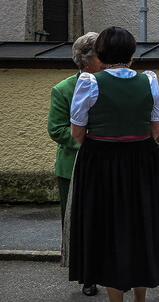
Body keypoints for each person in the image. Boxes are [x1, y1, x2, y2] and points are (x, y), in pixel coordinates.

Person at [67, 27, 159, 302]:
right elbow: (156, 130)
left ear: (101, 53)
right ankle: (140, 298)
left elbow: (77, 133)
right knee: (142, 226)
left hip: (101, 163)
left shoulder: (89, 82)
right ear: (131, 53)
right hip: (142, 162)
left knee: (107, 229)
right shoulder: (149, 81)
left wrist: (105, 145)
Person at [48, 32, 104, 298]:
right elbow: (56, 129)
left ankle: (110, 271)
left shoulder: (108, 82)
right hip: (73, 167)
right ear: (87, 59)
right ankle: (86, 276)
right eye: (100, 53)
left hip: (105, 165)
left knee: (106, 221)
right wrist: (89, 140)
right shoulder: (63, 89)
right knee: (77, 225)